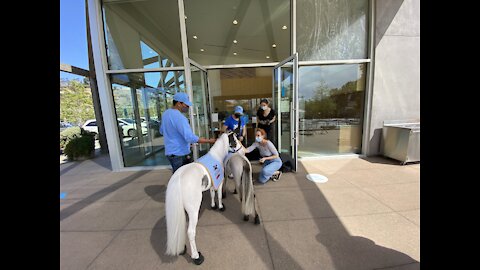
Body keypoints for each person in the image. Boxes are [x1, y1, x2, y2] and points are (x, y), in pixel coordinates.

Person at [160, 92, 216, 173]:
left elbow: (162, 131)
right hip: (180, 154)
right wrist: (209, 141)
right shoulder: (180, 117)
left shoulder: (166, 114)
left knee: (177, 177)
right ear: (179, 104)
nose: (188, 107)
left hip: (170, 153)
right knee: (185, 179)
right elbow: (189, 137)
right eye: (186, 105)